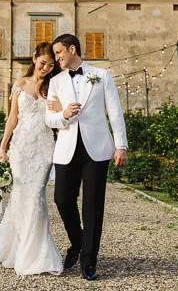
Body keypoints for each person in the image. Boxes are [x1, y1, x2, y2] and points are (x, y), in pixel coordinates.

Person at [45, 33, 128, 281]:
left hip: (98, 149)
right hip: (66, 148)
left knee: (92, 206)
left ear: (72, 49)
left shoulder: (102, 75)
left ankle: (89, 261)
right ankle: (77, 242)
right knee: (61, 199)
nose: (56, 57)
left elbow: (115, 112)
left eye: (59, 52)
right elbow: (49, 118)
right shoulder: (56, 81)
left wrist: (121, 145)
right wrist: (64, 115)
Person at [0, 42, 63, 276]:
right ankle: (16, 249)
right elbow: (12, 118)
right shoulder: (19, 84)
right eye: (43, 62)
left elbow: (59, 115)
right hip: (22, 148)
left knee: (37, 197)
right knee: (20, 197)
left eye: (50, 65)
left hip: (44, 147)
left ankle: (36, 254)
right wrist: (3, 147)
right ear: (34, 58)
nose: (46, 68)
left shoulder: (53, 85)